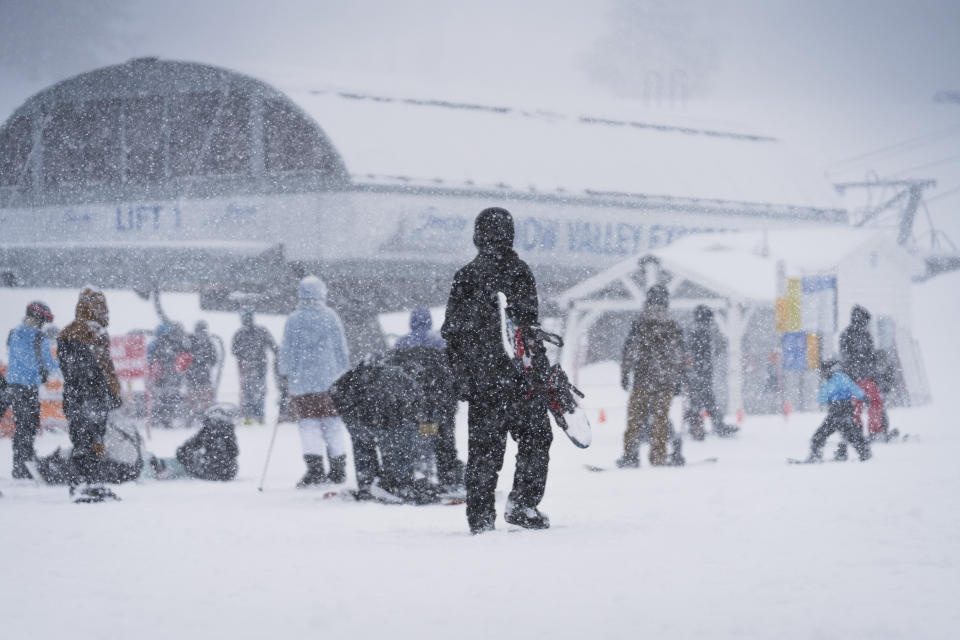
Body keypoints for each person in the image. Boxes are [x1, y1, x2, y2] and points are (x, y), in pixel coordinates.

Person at [441, 206, 552, 534]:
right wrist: (541, 371)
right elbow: (528, 329)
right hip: (520, 379)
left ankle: (480, 518)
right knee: (536, 437)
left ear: (478, 234)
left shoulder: (465, 275)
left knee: (483, 451)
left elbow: (452, 333)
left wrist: (462, 376)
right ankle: (523, 503)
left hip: (483, 382)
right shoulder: (520, 272)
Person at [278, 276, 351, 487]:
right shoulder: (331, 317)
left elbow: (286, 349)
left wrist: (285, 372)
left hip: (302, 384)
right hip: (330, 382)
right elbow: (341, 349)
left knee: (308, 425)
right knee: (333, 424)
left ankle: (315, 469)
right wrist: (344, 373)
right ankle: (338, 469)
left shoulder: (293, 319)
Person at [330, 358, 431, 502]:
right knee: (397, 449)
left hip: (358, 415)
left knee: (363, 449)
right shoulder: (403, 378)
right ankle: (396, 483)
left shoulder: (354, 376)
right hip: (383, 416)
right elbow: (419, 409)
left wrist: (350, 416)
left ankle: (367, 484)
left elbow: (335, 391)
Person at [58, 288, 123, 502]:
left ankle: (83, 482)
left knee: (82, 440)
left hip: (76, 397)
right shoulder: (95, 334)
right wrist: (113, 393)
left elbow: (69, 369)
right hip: (93, 397)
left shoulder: (66, 333)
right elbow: (105, 368)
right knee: (93, 440)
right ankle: (88, 482)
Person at [389, 307, 464, 490]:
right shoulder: (440, 341)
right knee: (445, 436)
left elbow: (393, 374)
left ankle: (421, 472)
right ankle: (449, 476)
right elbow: (453, 370)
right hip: (442, 399)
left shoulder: (401, 343)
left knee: (424, 432)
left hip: (416, 401)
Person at [619, 284, 685, 467]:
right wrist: (679, 379)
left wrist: (624, 374)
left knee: (635, 419)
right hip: (665, 380)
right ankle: (658, 456)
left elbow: (629, 351)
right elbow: (679, 355)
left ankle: (631, 455)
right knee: (660, 420)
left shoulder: (640, 324)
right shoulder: (673, 326)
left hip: (642, 377)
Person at [6, 301, 59, 479]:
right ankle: (24, 466)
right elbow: (50, 364)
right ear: (40, 319)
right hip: (28, 388)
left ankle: (19, 463)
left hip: (11, 386)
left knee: (21, 426)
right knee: (27, 427)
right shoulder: (39, 337)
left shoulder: (13, 333)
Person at [683, 305, 737, 439]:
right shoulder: (704, 331)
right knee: (704, 400)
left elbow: (687, 351)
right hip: (701, 371)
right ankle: (706, 427)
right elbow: (719, 346)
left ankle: (697, 427)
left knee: (698, 400)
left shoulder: (692, 330)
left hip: (696, 371)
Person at [147, 405, 239, 481]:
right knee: (191, 456)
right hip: (229, 472)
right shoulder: (229, 432)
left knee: (187, 456)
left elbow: (189, 446)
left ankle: (165, 468)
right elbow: (234, 452)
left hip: (209, 471)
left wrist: (184, 454)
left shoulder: (207, 430)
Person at [805, 359, 871, 462]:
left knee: (819, 435)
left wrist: (822, 398)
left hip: (835, 413)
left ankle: (815, 454)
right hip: (847, 411)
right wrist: (864, 397)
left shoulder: (830, 382)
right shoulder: (843, 378)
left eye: (822, 372)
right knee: (852, 434)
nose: (821, 374)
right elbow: (855, 389)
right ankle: (864, 452)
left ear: (827, 371)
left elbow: (821, 398)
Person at [840, 306, 884, 438]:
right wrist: (871, 373)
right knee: (874, 403)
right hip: (864, 378)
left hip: (853, 378)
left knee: (856, 407)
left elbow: (845, 357)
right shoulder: (865, 336)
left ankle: (856, 431)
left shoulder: (846, 334)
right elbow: (871, 357)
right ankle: (874, 430)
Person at [232, 311, 277, 424]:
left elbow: (234, 350)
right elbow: (273, 346)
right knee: (257, 391)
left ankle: (251, 415)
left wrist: (244, 357)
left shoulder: (240, 333)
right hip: (257, 366)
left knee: (249, 391)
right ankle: (257, 416)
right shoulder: (260, 331)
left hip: (250, 367)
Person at [147, 323, 189, 429]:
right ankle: (168, 419)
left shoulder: (154, 344)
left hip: (159, 376)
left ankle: (157, 418)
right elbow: (181, 358)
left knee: (159, 398)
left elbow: (149, 358)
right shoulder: (175, 343)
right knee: (170, 398)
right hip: (172, 376)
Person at [185, 320, 218, 424]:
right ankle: (197, 416)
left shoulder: (194, 342)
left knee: (201, 397)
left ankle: (199, 416)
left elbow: (213, 359)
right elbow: (214, 359)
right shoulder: (191, 342)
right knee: (197, 397)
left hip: (199, 375)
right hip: (197, 375)